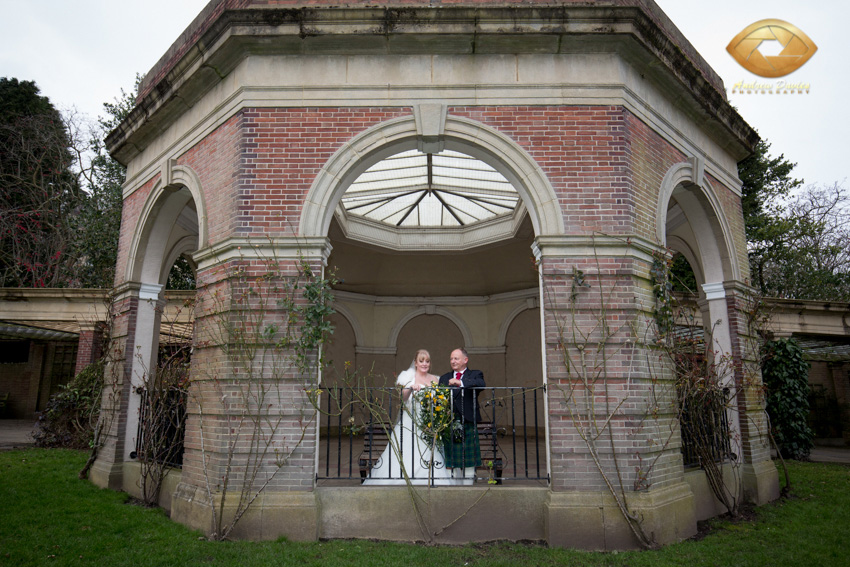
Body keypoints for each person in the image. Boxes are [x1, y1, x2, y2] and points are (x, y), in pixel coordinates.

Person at [363, 349, 456, 485]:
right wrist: (411, 388)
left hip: (429, 424)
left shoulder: (435, 378)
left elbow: (441, 400)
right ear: (415, 363)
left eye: (427, 361)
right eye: (421, 361)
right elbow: (402, 397)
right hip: (410, 422)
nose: (424, 364)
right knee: (406, 452)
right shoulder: (407, 376)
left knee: (430, 454)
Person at [439, 347, 485, 485]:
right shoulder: (445, 377)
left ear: (465, 360)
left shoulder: (476, 374)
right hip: (450, 422)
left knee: (469, 460)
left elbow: (482, 384)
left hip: (468, 420)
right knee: (451, 459)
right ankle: (451, 486)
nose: (453, 361)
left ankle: (468, 486)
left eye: (456, 358)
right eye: (451, 358)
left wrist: (461, 383)